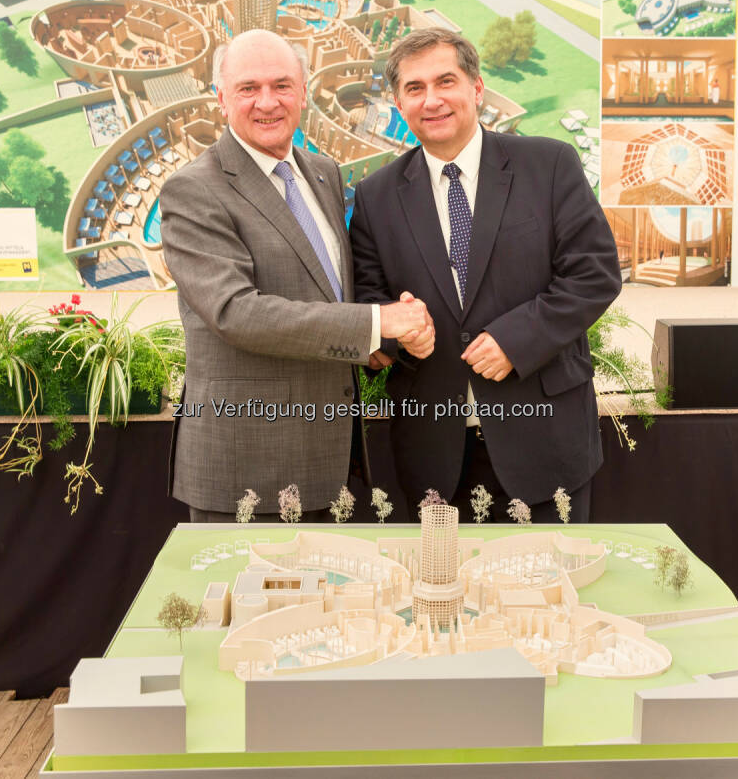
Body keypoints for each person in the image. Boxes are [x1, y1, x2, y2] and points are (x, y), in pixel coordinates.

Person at [350, 28, 621, 523]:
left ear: (476, 88)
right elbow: (370, 300)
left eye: (445, 81)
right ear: (398, 103)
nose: (432, 100)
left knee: (550, 574)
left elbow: (594, 274)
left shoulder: (550, 164)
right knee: (444, 577)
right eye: (414, 88)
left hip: (545, 444)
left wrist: (516, 341)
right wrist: (396, 333)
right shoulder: (375, 196)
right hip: (432, 455)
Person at [161, 29, 433, 521]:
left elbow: (327, 290)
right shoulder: (193, 190)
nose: (267, 102)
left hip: (332, 462)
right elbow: (236, 313)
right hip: (248, 468)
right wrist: (377, 322)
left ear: (303, 93)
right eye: (248, 88)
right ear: (221, 98)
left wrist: (380, 343)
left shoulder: (322, 172)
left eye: (282, 85)